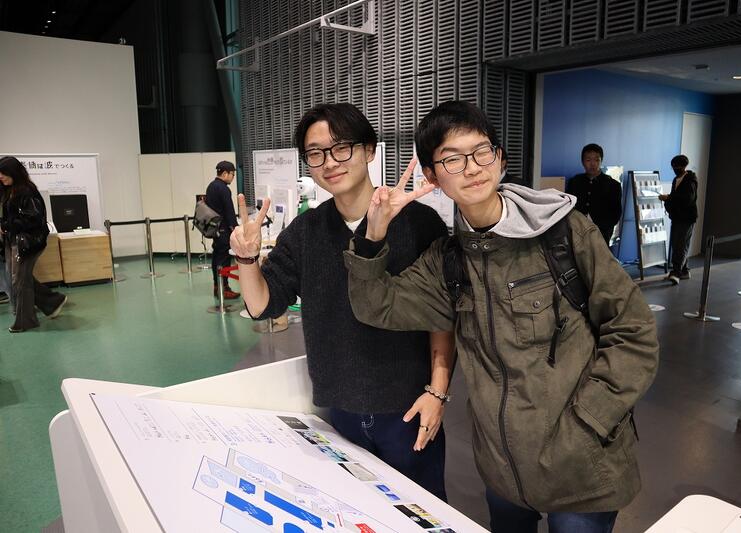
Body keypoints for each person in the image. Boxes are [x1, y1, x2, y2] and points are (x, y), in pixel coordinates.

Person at [344, 101, 659, 532]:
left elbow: (633, 332)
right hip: (502, 470)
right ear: (433, 178)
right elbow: (375, 305)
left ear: (500, 159)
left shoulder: (565, 233)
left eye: (481, 151)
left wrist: (590, 421)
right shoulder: (448, 260)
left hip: (582, 468)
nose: (472, 167)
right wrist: (374, 231)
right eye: (453, 159)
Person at [229, 103, 455, 501]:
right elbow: (264, 305)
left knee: (422, 514)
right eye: (316, 153)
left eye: (341, 147)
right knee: (358, 513)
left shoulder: (419, 223)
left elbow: (442, 315)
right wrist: (247, 260)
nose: (330, 162)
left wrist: (437, 393)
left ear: (369, 150)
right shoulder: (306, 231)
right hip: (341, 412)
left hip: (408, 407)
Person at [0, 156, 67, 333]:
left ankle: (26, 321)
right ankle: (53, 301)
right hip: (13, 240)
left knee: (20, 280)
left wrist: (6, 225)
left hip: (28, 242)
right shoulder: (8, 190)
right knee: (20, 278)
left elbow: (33, 219)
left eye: (3, 173)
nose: (0, 177)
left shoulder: (27, 192)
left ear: (14, 173)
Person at [566, 143, 622, 245]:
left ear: (601, 161)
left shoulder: (613, 185)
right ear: (583, 162)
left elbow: (616, 214)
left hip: (601, 235)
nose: (592, 164)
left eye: (597, 160)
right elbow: (568, 206)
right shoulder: (575, 182)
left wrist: (601, 228)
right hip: (576, 233)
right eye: (588, 160)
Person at [659, 154, 698, 285]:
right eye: (673, 167)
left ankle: (676, 272)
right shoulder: (676, 179)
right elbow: (675, 197)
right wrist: (668, 199)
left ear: (683, 166)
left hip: (687, 218)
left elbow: (688, 199)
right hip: (677, 217)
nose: (675, 169)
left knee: (681, 244)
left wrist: (669, 198)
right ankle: (685, 270)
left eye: (676, 167)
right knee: (678, 244)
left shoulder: (691, 180)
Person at [205, 161, 240, 299]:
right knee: (224, 258)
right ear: (225, 173)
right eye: (232, 174)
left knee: (217, 256)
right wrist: (236, 229)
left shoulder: (211, 186)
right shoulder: (224, 189)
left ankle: (217, 285)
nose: (233, 177)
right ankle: (224, 288)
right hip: (224, 230)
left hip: (215, 229)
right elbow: (229, 211)